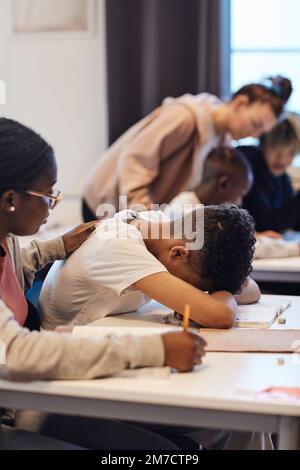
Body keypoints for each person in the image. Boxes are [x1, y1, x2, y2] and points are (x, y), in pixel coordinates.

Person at [0, 117, 205, 450]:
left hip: (24, 392)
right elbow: (18, 352)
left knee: (179, 447)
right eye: (48, 194)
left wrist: (57, 246)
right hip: (11, 409)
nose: (53, 203)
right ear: (10, 200)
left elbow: (13, 265)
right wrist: (155, 350)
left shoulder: (6, 238)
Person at [82, 76, 292, 221]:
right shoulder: (183, 117)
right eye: (255, 124)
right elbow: (135, 161)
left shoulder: (221, 140)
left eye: (261, 132)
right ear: (239, 103)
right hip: (105, 204)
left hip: (142, 216)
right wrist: (146, 221)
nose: (254, 135)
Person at [39, 204, 260, 332]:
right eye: (193, 285)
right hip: (59, 371)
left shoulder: (157, 226)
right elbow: (220, 315)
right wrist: (213, 300)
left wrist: (218, 292)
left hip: (99, 342)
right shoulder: (120, 246)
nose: (192, 291)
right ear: (178, 253)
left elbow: (252, 289)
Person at [166, 146, 300, 260]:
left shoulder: (192, 205)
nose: (240, 202)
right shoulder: (186, 212)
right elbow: (240, 248)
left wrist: (255, 235)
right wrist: (294, 248)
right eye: (241, 194)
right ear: (224, 183)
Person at [241, 113, 300, 235]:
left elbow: (293, 222)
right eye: (275, 148)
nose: (282, 159)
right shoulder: (247, 165)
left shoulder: (282, 179)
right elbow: (266, 223)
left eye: (290, 152)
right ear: (264, 143)